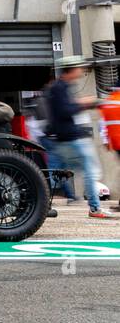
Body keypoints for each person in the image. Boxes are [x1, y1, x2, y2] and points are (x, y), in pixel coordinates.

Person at [45, 56, 115, 219]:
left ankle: (46, 203)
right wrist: (85, 103)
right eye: (79, 68)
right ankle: (95, 208)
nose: (82, 71)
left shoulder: (60, 87)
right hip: (70, 139)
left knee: (63, 172)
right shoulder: (59, 88)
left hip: (65, 138)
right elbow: (64, 111)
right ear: (72, 69)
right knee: (90, 170)